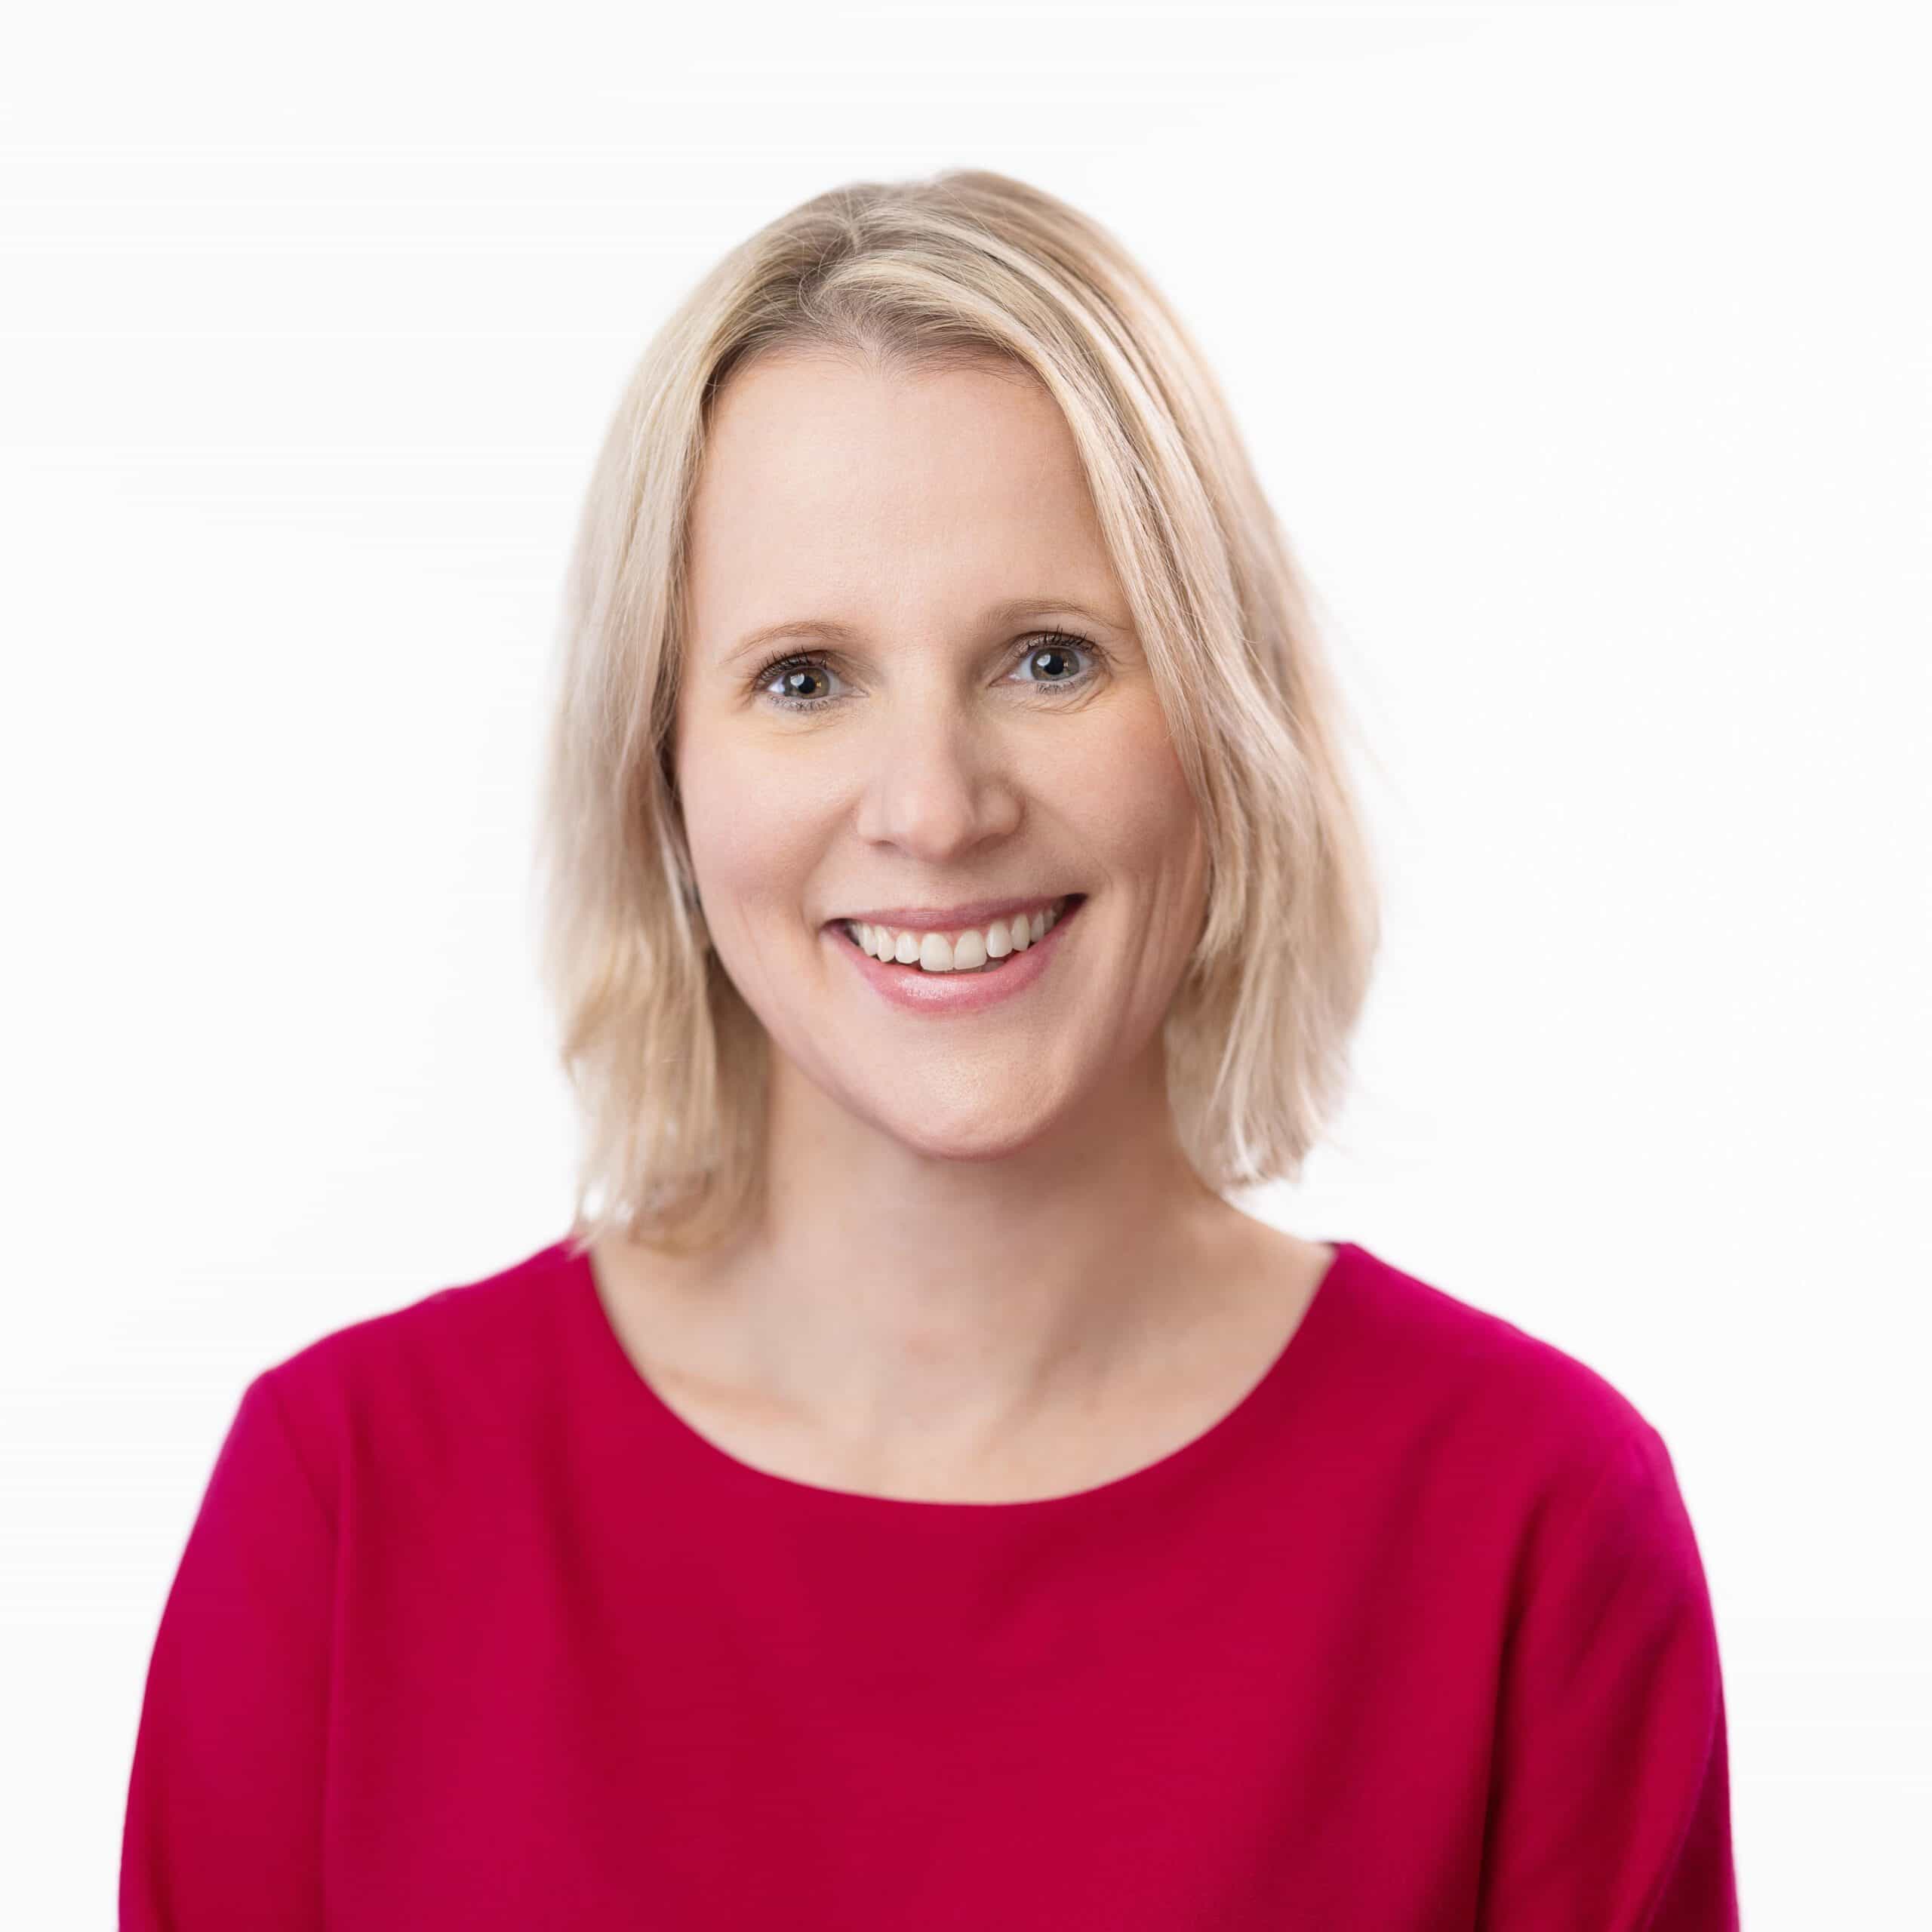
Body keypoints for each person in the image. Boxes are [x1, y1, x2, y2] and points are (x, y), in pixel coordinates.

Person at [119, 168, 1739, 1927]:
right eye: (803, 678)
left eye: (1049, 658)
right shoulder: (350, 1506)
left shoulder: (1528, 1525)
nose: (933, 808)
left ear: (1220, 720)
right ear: (660, 772)